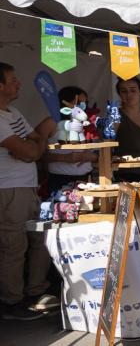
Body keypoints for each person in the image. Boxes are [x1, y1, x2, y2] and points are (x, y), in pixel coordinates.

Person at [0, 62, 57, 320]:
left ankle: (35, 291)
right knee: (13, 247)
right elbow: (30, 150)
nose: (18, 84)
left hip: (27, 188)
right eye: (13, 80)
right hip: (9, 189)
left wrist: (35, 145)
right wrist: (34, 146)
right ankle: (12, 302)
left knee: (38, 240)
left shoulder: (13, 112)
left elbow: (35, 142)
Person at [44, 86, 97, 193]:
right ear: (65, 104)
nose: (83, 107)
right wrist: (66, 157)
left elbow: (98, 153)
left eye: (85, 103)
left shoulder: (88, 123)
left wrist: (93, 156)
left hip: (86, 180)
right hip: (60, 180)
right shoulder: (52, 122)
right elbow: (37, 154)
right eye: (79, 103)